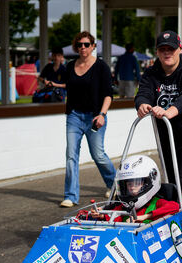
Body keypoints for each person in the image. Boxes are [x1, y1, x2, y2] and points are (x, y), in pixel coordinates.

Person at [135, 30, 182, 200]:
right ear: (157, 52)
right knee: (171, 183)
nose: (167, 52)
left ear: (180, 49)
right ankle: (174, 219)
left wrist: (170, 111)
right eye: (162, 49)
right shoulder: (151, 73)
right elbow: (143, 93)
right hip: (167, 136)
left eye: (171, 49)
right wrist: (142, 104)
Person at [56, 31, 116, 208]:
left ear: (93, 46)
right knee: (71, 155)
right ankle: (70, 195)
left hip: (94, 116)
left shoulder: (101, 67)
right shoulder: (69, 66)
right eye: (80, 45)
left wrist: (102, 115)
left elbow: (108, 94)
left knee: (98, 155)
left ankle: (114, 184)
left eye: (86, 44)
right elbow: (70, 86)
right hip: (74, 116)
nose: (83, 47)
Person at [87, 155, 179, 223]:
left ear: (148, 183)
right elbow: (113, 217)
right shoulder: (123, 207)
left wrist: (145, 216)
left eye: (136, 183)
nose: (132, 187)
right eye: (129, 184)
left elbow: (175, 207)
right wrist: (101, 215)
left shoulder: (157, 203)